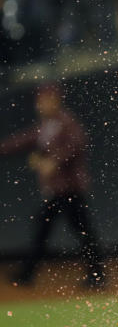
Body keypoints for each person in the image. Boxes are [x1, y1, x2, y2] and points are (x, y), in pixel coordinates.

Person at [0, 84, 105, 288]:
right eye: (40, 100)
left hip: (70, 190)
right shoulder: (46, 125)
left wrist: (54, 161)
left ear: (56, 100)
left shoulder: (66, 121)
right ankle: (28, 273)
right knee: (47, 230)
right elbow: (22, 141)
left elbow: (77, 143)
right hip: (57, 191)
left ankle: (96, 275)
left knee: (81, 232)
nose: (42, 104)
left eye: (47, 99)